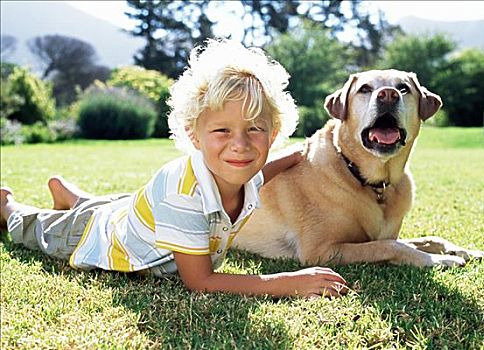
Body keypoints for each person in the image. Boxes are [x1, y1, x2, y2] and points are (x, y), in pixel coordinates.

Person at [0, 39, 348, 298]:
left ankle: (74, 198)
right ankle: (10, 207)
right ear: (193, 135)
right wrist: (288, 282)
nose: (240, 144)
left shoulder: (238, 173)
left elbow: (263, 172)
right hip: (97, 238)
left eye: (254, 129)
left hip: (132, 211)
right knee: (39, 229)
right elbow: (201, 282)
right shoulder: (182, 195)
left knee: (113, 209)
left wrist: (299, 155)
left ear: (272, 133)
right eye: (222, 130)